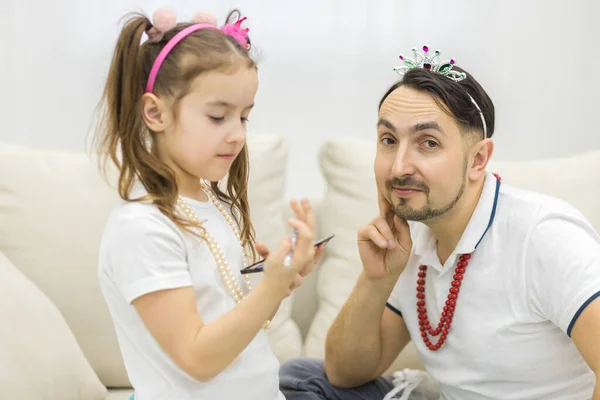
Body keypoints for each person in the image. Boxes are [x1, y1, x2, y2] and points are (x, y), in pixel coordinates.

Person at [279, 45, 600, 400]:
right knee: (300, 378)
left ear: (478, 159)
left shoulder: (545, 236)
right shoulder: (414, 237)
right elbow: (344, 373)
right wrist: (377, 279)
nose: (399, 166)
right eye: (388, 140)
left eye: (427, 143)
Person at [95, 8, 321, 400]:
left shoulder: (213, 203)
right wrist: (269, 289)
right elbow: (197, 358)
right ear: (155, 113)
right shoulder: (142, 228)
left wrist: (279, 281)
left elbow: (237, 329)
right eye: (218, 117)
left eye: (245, 117)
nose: (237, 135)